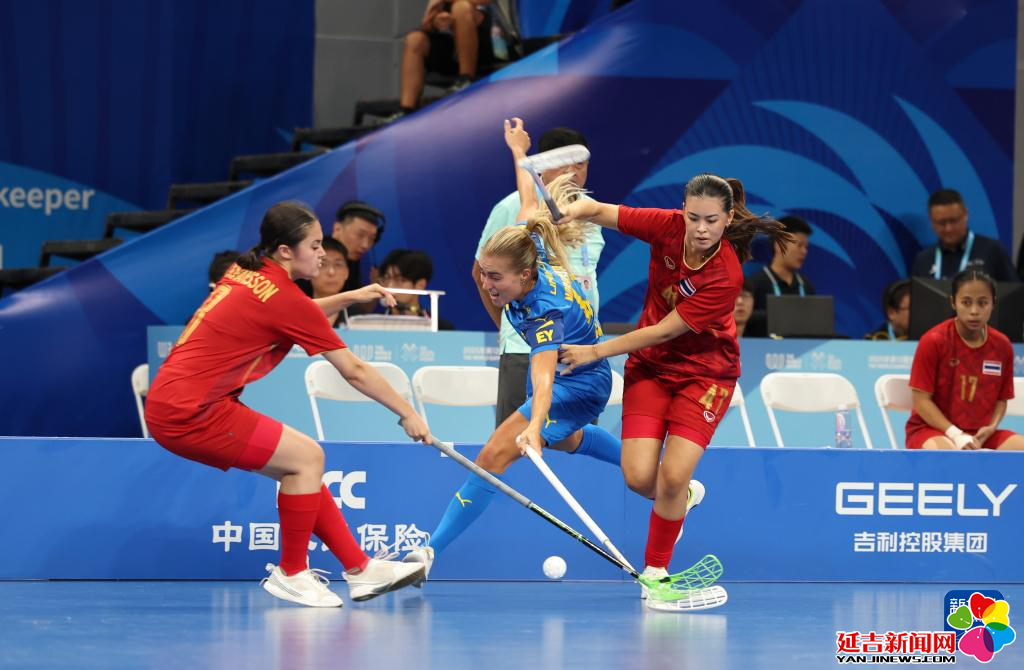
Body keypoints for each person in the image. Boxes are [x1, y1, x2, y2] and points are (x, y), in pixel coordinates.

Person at [145, 201, 431, 608]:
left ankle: (359, 568)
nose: (323, 254)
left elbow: (295, 313)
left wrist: (349, 297)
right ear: (285, 251)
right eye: (314, 246)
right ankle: (292, 573)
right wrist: (407, 413)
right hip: (192, 412)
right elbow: (354, 371)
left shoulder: (247, 271)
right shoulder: (284, 298)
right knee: (307, 458)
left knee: (300, 464)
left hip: (176, 399)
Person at [400, 122, 624, 582]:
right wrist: (521, 155)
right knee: (567, 440)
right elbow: (527, 203)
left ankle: (428, 553)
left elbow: (543, 377)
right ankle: (657, 475)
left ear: (523, 276)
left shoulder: (543, 309)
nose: (486, 284)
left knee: (492, 456)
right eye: (484, 274)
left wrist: (535, 425)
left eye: (494, 278)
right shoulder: (529, 241)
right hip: (568, 368)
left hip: (577, 379)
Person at [556, 174, 789, 598]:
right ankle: (682, 498)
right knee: (638, 478)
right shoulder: (666, 226)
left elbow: (665, 330)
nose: (700, 229)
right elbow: (601, 211)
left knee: (673, 477)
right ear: (682, 212)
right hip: (651, 369)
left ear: (728, 218)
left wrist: (595, 351)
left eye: (711, 220)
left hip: (705, 375)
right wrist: (571, 211)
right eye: (693, 218)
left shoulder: (726, 275)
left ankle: (656, 573)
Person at [474, 124, 604, 428]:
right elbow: (483, 272)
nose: (573, 172)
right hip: (529, 347)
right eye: (564, 163)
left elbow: (529, 199)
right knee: (518, 441)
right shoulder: (521, 216)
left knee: (576, 442)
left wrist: (518, 151)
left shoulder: (591, 212)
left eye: (580, 164)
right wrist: (512, 324)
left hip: (580, 349)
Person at [904, 269, 1022, 450]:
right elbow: (921, 400)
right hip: (932, 429)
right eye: (966, 302)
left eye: (982, 303)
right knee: (949, 455)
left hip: (980, 435)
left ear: (994, 303)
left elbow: (1001, 399)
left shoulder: (1002, 346)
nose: (974, 311)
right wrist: (955, 434)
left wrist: (991, 428)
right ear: (953, 302)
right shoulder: (934, 341)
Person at [393, 1, 495, 119]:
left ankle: (466, 79)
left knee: (461, 8)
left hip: (486, 45)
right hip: (452, 48)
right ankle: (407, 109)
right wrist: (437, 21)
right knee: (415, 39)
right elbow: (427, 24)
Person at [911, 189, 1017, 282]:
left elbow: (1014, 292)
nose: (948, 228)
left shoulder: (992, 250)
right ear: (931, 221)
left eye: (953, 220)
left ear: (965, 214)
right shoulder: (924, 259)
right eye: (941, 223)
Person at [744, 215, 814, 337]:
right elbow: (743, 319)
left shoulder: (806, 286)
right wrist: (777, 315)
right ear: (779, 244)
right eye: (799, 245)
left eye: (806, 247)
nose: (804, 251)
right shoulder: (755, 284)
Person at [378, 248, 455, 330]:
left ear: (420, 285)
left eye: (399, 280)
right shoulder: (374, 324)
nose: (390, 286)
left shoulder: (440, 328)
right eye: (386, 278)